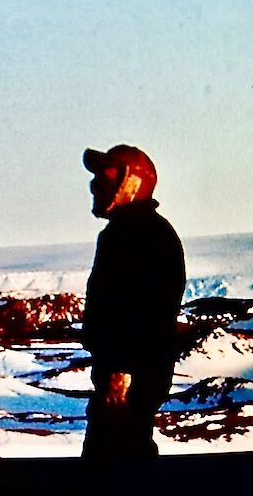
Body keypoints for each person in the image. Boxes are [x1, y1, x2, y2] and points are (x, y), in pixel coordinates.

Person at [80, 144, 186, 460]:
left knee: (120, 454)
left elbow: (149, 310)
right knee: (120, 448)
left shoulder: (146, 235)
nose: (96, 185)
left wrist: (124, 369)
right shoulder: (124, 233)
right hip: (122, 371)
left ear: (132, 183)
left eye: (107, 175)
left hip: (129, 374)